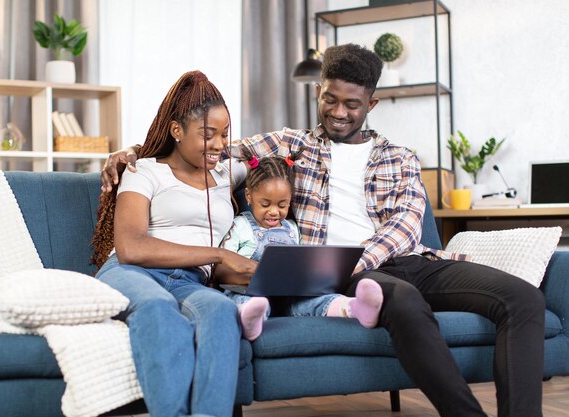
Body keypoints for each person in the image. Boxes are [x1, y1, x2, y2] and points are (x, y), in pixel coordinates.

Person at [101, 45, 545, 417]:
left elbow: (405, 226)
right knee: (403, 302)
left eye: (351, 104)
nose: (338, 112)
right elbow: (209, 148)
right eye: (330, 99)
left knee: (523, 298)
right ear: (319, 92)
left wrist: (359, 258)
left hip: (401, 260)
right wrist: (134, 151)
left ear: (370, 104)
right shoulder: (292, 143)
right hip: (340, 271)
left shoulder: (401, 157)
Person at [91, 70, 257, 417]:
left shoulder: (230, 173)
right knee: (155, 307)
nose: (218, 144)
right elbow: (131, 247)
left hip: (189, 280)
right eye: (207, 134)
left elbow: (273, 154)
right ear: (177, 131)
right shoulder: (145, 171)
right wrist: (220, 254)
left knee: (221, 310)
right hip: (132, 273)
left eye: (224, 134)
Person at [217, 147, 383, 341]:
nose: (274, 212)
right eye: (265, 204)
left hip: (289, 295)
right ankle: (251, 319)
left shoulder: (291, 228)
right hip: (250, 291)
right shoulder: (239, 226)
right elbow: (222, 270)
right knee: (248, 301)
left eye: (282, 205)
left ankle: (352, 308)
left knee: (313, 300)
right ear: (248, 196)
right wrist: (253, 276)